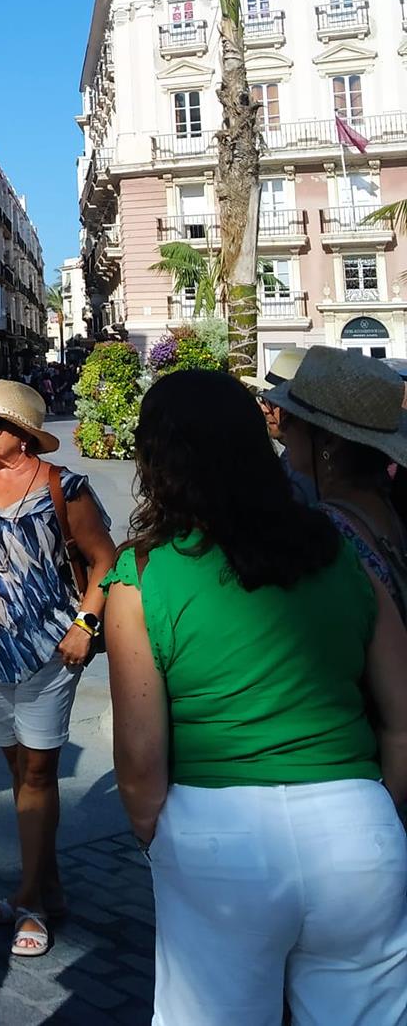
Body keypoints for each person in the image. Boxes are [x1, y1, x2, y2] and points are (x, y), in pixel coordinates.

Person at [105, 368, 407, 1024]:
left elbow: (138, 756)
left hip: (217, 837)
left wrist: (161, 837)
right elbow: (403, 719)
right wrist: (374, 805)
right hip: (357, 829)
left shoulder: (143, 574)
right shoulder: (338, 553)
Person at [0, 379, 115, 957]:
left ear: (25, 435)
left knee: (40, 774)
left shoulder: (62, 486)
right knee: (18, 773)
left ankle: (29, 899)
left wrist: (87, 624)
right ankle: (49, 885)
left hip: (50, 648)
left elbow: (106, 560)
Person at [265, 346, 407, 619]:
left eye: (292, 418)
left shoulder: (324, 535)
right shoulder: (386, 506)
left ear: (329, 441)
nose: (283, 427)